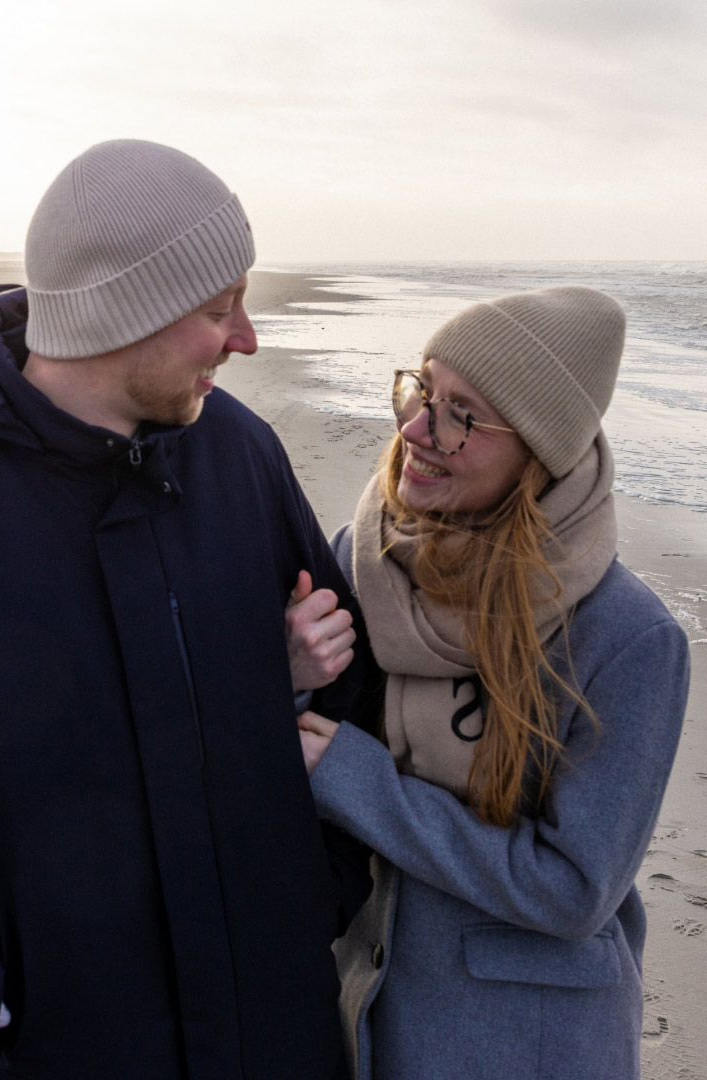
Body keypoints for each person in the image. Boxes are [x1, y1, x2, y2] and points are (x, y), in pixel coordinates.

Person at [0, 139, 379, 1080]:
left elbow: (354, 687)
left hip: (276, 1031)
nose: (246, 339)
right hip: (61, 1048)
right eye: (219, 308)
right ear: (122, 314)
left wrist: (319, 895)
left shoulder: (240, 452)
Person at [292, 286, 690, 1079]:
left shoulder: (628, 638)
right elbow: (294, 743)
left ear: (537, 452)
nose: (415, 429)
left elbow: (574, 891)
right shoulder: (361, 560)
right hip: (365, 1010)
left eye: (462, 416)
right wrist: (292, 677)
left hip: (525, 1040)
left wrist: (361, 785)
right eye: (423, 391)